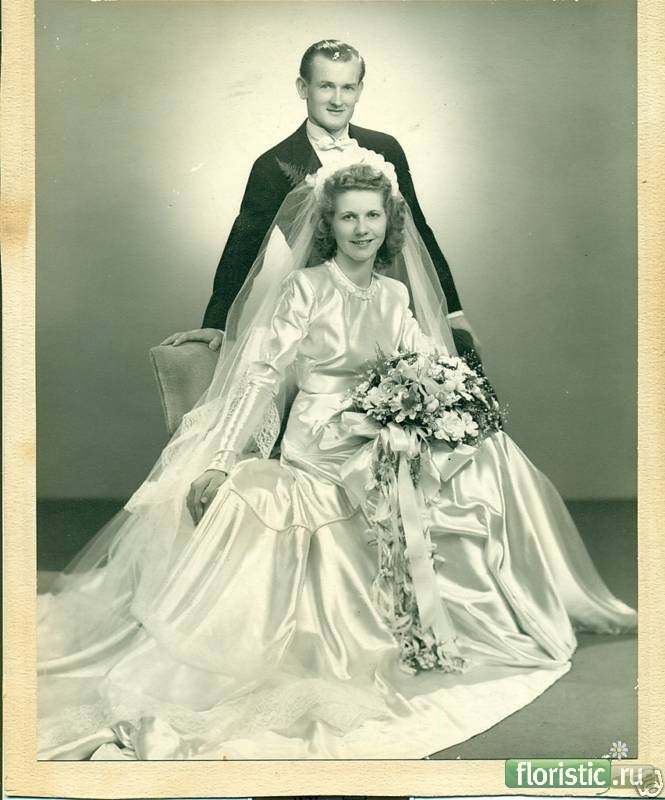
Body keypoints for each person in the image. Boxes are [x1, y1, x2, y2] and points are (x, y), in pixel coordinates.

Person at [38, 153, 635, 761]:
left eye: (372, 216)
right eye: (348, 217)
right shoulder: (305, 288)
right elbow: (262, 375)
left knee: (487, 457)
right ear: (329, 225)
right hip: (320, 438)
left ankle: (498, 616)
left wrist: (446, 401)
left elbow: (426, 361)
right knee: (378, 477)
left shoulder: (394, 293)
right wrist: (221, 456)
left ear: (388, 223)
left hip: (377, 423)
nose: (361, 229)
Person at [162, 39, 480, 358]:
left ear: (360, 90)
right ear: (303, 88)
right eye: (326, 86)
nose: (338, 100)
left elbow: (419, 230)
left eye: (347, 87)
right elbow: (243, 246)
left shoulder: (386, 148)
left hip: (398, 309)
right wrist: (215, 323)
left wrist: (452, 310)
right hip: (323, 319)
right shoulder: (273, 164)